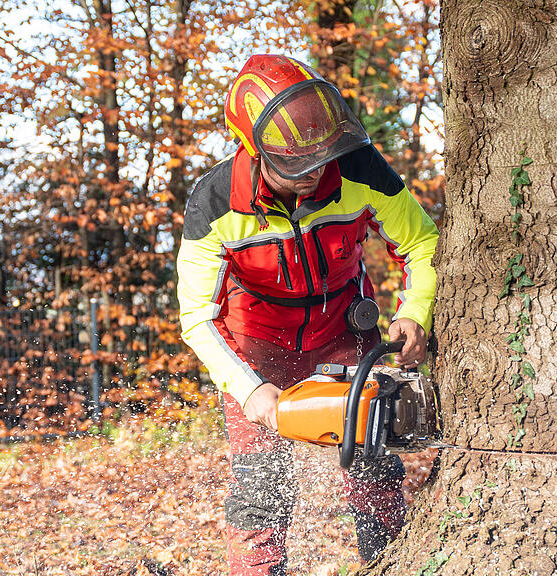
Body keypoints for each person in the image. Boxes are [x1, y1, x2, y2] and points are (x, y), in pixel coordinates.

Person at [176, 54, 439, 576]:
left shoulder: (359, 169)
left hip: (343, 328)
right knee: (259, 484)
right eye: (300, 166)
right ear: (255, 152)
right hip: (254, 345)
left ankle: (387, 563)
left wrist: (415, 312)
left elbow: (422, 240)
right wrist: (249, 390)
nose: (316, 174)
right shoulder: (213, 203)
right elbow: (196, 318)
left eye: (323, 159)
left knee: (372, 457)